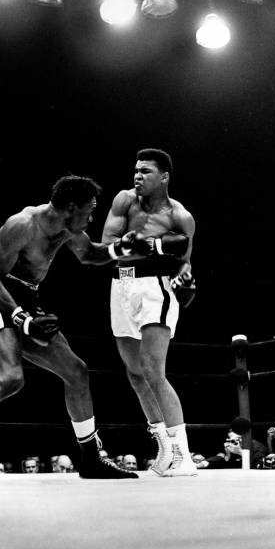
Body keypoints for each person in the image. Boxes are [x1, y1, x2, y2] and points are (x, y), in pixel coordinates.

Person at [0, 175, 142, 483]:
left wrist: (122, 249)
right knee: (10, 378)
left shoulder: (68, 229)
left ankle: (90, 458)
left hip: (25, 297)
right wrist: (22, 318)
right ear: (71, 207)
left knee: (76, 372)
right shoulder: (22, 224)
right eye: (89, 210)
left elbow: (90, 254)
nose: (92, 217)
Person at [101, 148, 197, 476]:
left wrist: (182, 274)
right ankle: (165, 447)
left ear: (164, 177)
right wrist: (137, 243)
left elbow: (184, 258)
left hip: (156, 288)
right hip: (121, 286)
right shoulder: (124, 201)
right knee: (135, 373)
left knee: (154, 369)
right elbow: (106, 243)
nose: (137, 176)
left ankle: (184, 455)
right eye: (136, 170)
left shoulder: (180, 216)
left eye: (146, 171)